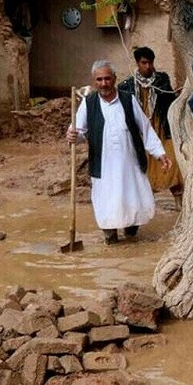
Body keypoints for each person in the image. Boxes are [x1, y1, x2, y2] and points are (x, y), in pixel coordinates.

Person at [67, 60, 172, 244]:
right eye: (99, 79)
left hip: (129, 164)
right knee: (107, 205)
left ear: (114, 79)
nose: (104, 83)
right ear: (94, 82)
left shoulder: (128, 99)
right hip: (104, 166)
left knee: (132, 204)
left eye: (107, 78)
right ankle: (110, 238)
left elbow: (145, 129)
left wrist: (160, 154)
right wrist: (73, 136)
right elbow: (79, 132)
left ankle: (131, 236)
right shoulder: (88, 104)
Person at [118, 47, 184, 210]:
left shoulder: (162, 81)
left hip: (161, 128)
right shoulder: (127, 85)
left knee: (171, 161)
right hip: (140, 132)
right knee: (142, 166)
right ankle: (144, 205)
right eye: (144, 63)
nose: (147, 66)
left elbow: (170, 102)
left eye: (150, 62)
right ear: (137, 63)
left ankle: (178, 202)